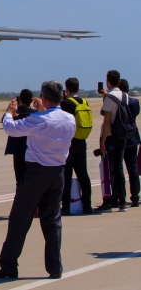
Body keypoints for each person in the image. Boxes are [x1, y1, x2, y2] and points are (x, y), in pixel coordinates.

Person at [0, 81, 75, 280]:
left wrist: (8, 113)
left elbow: (11, 129)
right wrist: (43, 110)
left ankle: (9, 266)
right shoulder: (69, 118)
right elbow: (52, 119)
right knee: (52, 221)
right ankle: (55, 267)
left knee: (19, 220)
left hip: (37, 173)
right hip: (58, 172)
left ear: (44, 98)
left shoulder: (39, 119)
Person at [95, 70, 128, 212]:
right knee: (119, 168)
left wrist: (102, 141)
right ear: (119, 81)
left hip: (110, 136)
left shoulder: (109, 97)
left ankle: (111, 201)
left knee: (110, 169)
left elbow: (107, 121)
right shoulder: (125, 95)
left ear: (108, 81)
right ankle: (121, 201)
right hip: (122, 135)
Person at [60, 77, 93, 214]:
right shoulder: (84, 102)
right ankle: (87, 205)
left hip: (69, 142)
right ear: (78, 89)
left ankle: (66, 206)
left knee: (66, 175)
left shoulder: (66, 103)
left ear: (66, 89)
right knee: (83, 174)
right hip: (81, 141)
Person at [3, 89, 36, 187]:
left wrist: (11, 110)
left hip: (18, 151)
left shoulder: (14, 114)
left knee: (20, 180)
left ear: (19, 99)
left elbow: (4, 120)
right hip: (32, 151)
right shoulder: (34, 113)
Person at [119, 79, 140, 207]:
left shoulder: (118, 102)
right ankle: (136, 197)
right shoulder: (135, 102)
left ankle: (120, 196)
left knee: (118, 169)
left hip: (120, 138)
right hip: (133, 137)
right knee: (133, 169)